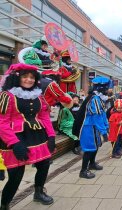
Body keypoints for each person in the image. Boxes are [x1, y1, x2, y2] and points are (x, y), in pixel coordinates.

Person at [0, 64, 56, 208]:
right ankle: (4, 205)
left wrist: (51, 136)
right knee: (16, 176)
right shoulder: (8, 95)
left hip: (38, 136)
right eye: (25, 76)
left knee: (44, 165)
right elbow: (2, 122)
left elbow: (44, 117)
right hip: (16, 139)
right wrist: (14, 143)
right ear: (17, 78)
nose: (29, 80)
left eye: (32, 77)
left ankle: (38, 192)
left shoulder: (38, 95)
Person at [72, 76, 109, 179]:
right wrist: (104, 132)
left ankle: (92, 164)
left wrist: (106, 126)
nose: (107, 89)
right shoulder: (95, 99)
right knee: (89, 149)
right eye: (105, 87)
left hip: (94, 127)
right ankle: (83, 171)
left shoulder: (98, 98)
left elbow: (102, 114)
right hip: (88, 127)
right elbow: (97, 117)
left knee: (96, 145)